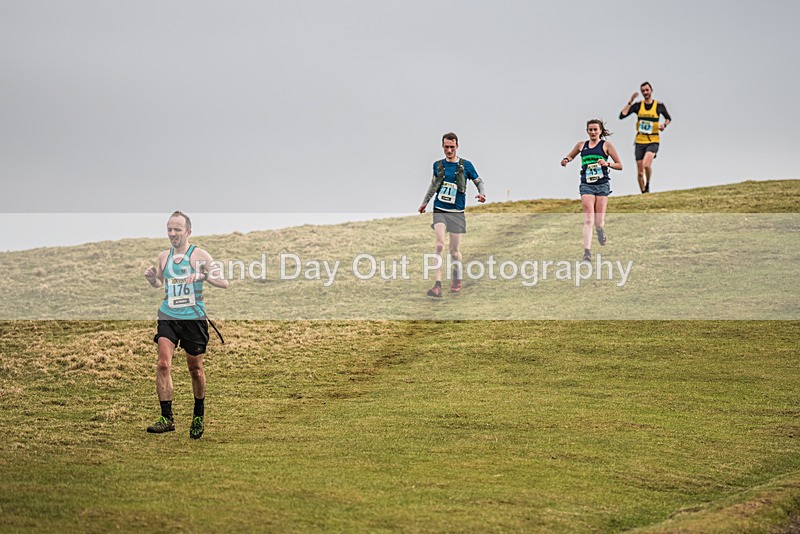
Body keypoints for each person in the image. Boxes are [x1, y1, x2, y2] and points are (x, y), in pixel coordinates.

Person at [143, 211, 228, 439]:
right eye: (169, 229)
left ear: (188, 231)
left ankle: (198, 415)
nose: (173, 233)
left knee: (196, 370)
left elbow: (224, 282)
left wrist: (203, 276)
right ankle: (166, 418)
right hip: (168, 315)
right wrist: (152, 278)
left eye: (177, 229)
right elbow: (160, 282)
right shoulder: (164, 256)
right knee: (162, 364)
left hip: (194, 319)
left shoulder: (200, 255)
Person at [418, 132, 486, 297]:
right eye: (446, 147)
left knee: (454, 252)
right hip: (440, 210)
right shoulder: (438, 165)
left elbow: (479, 181)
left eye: (452, 147)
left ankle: (457, 276)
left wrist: (482, 194)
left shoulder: (465, 166)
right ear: (442, 147)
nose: (449, 150)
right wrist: (425, 203)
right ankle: (437, 285)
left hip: (457, 212)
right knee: (439, 245)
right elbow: (433, 186)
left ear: (457, 147)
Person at [561, 119, 622, 262]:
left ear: (600, 131)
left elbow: (620, 165)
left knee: (598, 222)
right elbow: (571, 155)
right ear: (587, 131)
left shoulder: (606, 145)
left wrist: (607, 163)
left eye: (595, 130)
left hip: (602, 185)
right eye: (590, 130)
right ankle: (587, 252)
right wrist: (566, 160)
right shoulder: (582, 145)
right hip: (586, 185)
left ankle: (600, 231)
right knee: (588, 219)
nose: (593, 132)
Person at [619, 81, 671, 193]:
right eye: (643, 91)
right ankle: (644, 192)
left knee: (646, 164)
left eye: (647, 90)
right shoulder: (638, 106)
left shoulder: (659, 106)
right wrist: (630, 101)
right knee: (640, 172)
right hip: (640, 140)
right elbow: (622, 115)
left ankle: (648, 184)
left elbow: (668, 118)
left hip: (653, 140)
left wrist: (664, 125)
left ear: (651, 90)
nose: (645, 92)